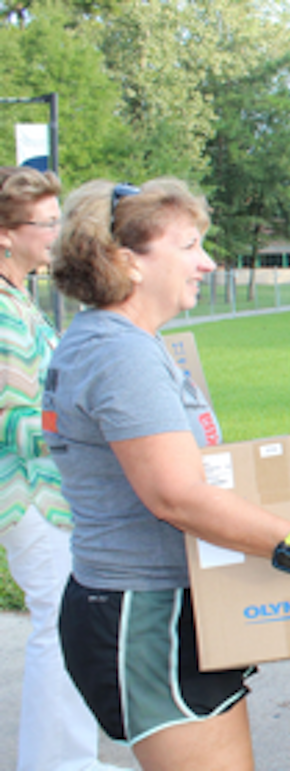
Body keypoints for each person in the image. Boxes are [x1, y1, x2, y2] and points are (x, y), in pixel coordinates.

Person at [44, 178, 290, 771]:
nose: (207, 262)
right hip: (146, 615)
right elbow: (178, 497)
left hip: (159, 607)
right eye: (188, 246)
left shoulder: (118, 341)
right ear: (126, 261)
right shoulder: (120, 354)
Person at [0, 167, 127, 771]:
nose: (57, 233)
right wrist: (88, 433)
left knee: (61, 620)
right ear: (5, 233)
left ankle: (64, 758)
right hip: (28, 496)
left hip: (46, 489)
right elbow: (16, 418)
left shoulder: (18, 298)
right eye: (45, 223)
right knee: (57, 622)